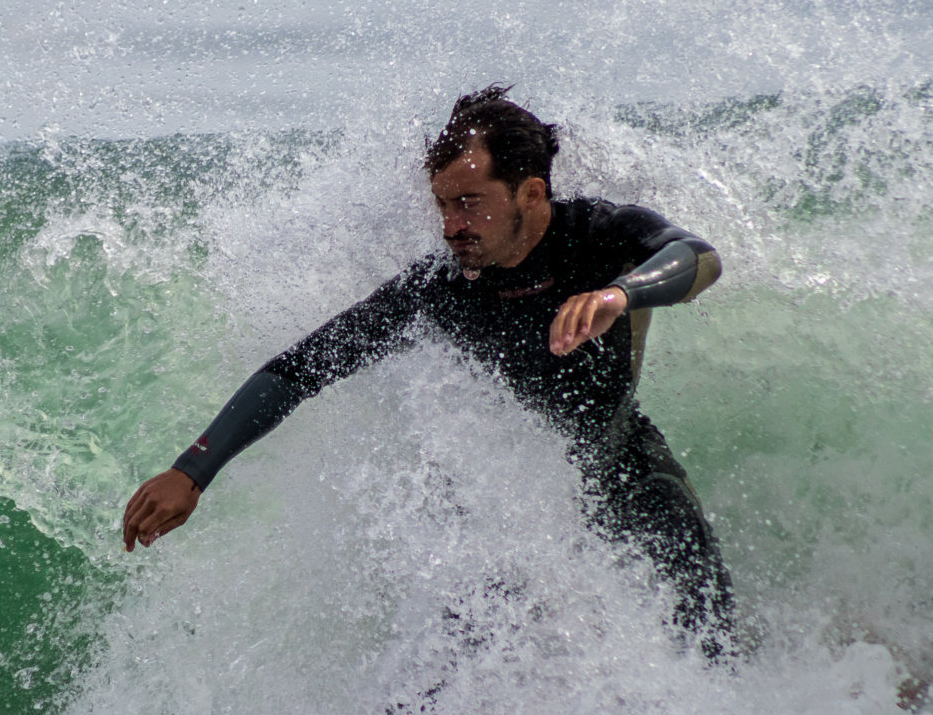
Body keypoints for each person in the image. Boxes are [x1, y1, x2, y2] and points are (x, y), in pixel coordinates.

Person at [121, 86, 736, 659]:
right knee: (450, 658)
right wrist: (191, 471)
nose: (451, 226)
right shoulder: (442, 289)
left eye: (469, 203)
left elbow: (698, 258)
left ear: (531, 192)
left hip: (620, 462)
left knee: (709, 625)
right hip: (516, 502)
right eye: (443, 205)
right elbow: (299, 368)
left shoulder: (599, 238)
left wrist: (620, 296)